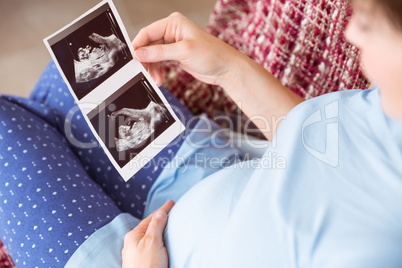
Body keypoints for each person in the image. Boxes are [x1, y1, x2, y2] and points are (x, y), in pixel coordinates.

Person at [0, 0, 401, 267]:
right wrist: (226, 66)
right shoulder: (389, 106)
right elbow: (326, 151)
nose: (350, 35)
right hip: (203, 175)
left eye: (367, 24)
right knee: (74, 75)